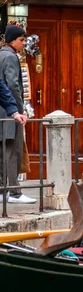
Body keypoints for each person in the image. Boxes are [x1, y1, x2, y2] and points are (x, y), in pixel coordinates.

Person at [0, 25, 35, 204]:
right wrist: (20, 109)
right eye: (21, 40)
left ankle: (2, 190)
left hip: (2, 112)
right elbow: (13, 85)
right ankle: (14, 191)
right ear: (12, 40)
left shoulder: (0, 55)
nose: (23, 43)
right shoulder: (11, 57)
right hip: (9, 112)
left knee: (2, 151)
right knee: (13, 150)